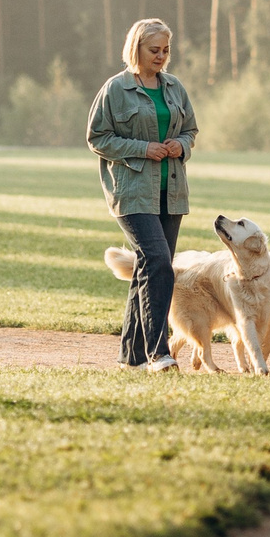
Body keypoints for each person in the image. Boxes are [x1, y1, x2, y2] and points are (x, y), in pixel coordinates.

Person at [88, 18, 199, 370]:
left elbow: (191, 130)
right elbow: (97, 138)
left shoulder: (174, 87)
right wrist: (142, 148)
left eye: (166, 50)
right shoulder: (114, 89)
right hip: (132, 193)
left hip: (172, 193)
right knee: (159, 265)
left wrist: (179, 146)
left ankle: (131, 356)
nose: (162, 56)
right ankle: (158, 353)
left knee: (146, 270)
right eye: (154, 50)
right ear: (135, 48)